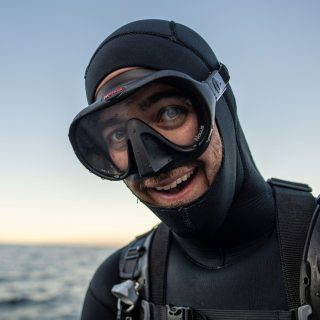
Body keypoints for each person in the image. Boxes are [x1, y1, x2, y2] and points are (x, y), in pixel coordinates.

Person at [69, 20, 317, 320]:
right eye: (119, 136)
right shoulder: (116, 287)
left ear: (220, 102)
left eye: (170, 113)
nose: (151, 164)